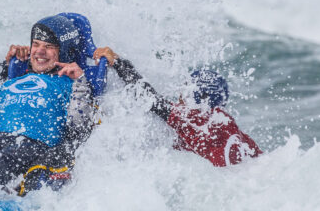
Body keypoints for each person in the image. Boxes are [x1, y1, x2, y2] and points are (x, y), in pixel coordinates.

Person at [0, 14, 99, 195]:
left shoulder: (70, 84)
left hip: (36, 145)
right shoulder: (11, 83)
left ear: (64, 51)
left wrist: (80, 82)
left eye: (49, 47)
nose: (39, 51)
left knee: (1, 161)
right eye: (35, 44)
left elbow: (79, 127)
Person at [94, 48, 263, 167]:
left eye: (183, 93)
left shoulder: (197, 121)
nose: (179, 98)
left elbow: (149, 99)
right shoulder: (227, 125)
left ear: (195, 97)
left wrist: (117, 62)